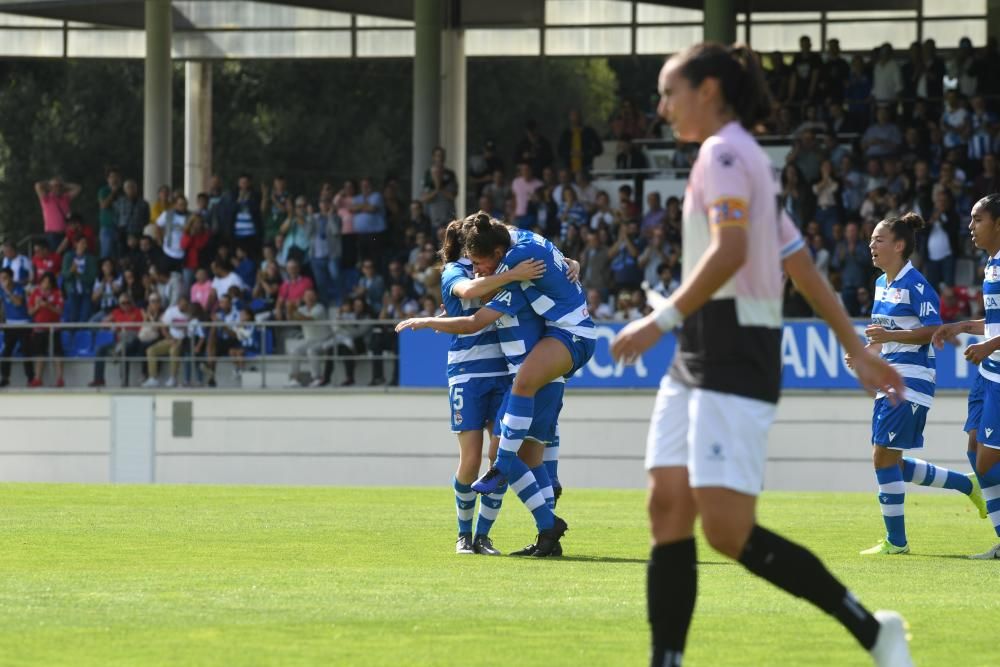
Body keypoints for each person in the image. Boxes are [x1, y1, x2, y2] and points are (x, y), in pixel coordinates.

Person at [607, 43, 913, 667]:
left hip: (732, 351)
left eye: (670, 93)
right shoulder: (735, 158)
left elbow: (732, 251)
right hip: (700, 351)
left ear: (710, 90)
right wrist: (855, 347)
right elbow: (798, 263)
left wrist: (657, 320)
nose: (662, 107)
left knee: (725, 530)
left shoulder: (723, 153)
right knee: (667, 504)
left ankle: (872, 631)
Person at [398, 212, 595, 556]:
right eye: (471, 261)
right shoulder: (501, 270)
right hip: (538, 369)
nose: (477, 268)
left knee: (509, 445)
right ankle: (547, 527)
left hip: (548, 363)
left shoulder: (513, 282)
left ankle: (530, 503)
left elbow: (474, 318)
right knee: (530, 456)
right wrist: (566, 262)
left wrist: (430, 321)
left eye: (480, 261)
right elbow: (474, 291)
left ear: (495, 251)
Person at [848, 213, 985, 556]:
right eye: (871, 239)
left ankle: (897, 542)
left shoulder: (915, 283)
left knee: (882, 457)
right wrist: (867, 354)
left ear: (898, 245)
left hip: (912, 380)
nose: (872, 245)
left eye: (879, 239)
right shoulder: (882, 285)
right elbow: (884, 338)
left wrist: (889, 336)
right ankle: (966, 485)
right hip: (890, 378)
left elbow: (932, 329)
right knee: (888, 459)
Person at [931, 193, 1000, 560]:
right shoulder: (991, 264)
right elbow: (994, 322)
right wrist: (960, 325)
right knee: (974, 450)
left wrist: (990, 346)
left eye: (978, 219)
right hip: (987, 373)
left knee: (988, 462)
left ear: (998, 223)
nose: (971, 226)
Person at [89, 292, 144, 388]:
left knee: (124, 349)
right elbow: (103, 323)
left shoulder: (138, 311)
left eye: (128, 302)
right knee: (100, 349)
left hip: (134, 341)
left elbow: (144, 324)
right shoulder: (116, 312)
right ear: (120, 304)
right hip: (120, 340)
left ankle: (124, 382)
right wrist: (111, 325)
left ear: (131, 303)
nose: (126, 305)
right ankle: (99, 379)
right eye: (123, 303)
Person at [28, 272, 64, 388]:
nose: (45, 284)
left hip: (54, 328)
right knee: (39, 354)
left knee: (57, 353)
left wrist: (48, 305)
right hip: (39, 328)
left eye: (48, 282)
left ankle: (59, 379)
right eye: (44, 281)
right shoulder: (35, 293)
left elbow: (60, 311)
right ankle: (38, 378)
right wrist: (38, 306)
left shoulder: (57, 293)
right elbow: (30, 312)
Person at [0, 268, 35, 387]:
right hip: (10, 325)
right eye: (1, 277)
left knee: (26, 352)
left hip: (23, 324)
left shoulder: (19, 288)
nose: (2, 280)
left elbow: (18, 302)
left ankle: (30, 378)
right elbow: (2, 305)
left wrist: (7, 291)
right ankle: (5, 377)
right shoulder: (1, 290)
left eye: (4, 277)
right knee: (6, 352)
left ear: (10, 278)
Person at [35, 176, 81, 251]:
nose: (57, 188)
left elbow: (78, 188)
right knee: (55, 255)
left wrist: (63, 185)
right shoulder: (46, 198)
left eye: (59, 186)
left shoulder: (65, 197)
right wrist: (51, 184)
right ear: (51, 187)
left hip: (66, 233)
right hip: (52, 234)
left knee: (67, 255)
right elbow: (37, 185)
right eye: (55, 186)